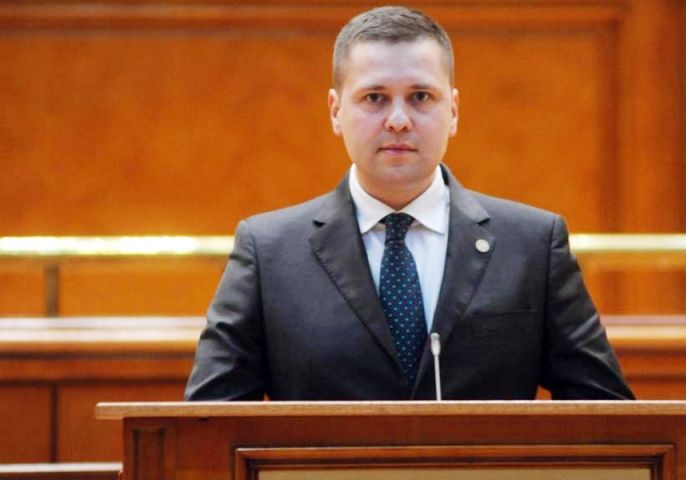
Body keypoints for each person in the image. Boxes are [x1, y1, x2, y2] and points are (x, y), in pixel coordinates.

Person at [185, 6, 633, 401]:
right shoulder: (268, 251)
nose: (398, 121)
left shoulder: (533, 245)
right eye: (374, 98)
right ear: (336, 111)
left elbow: (605, 415)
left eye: (420, 97)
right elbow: (209, 423)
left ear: (453, 110)